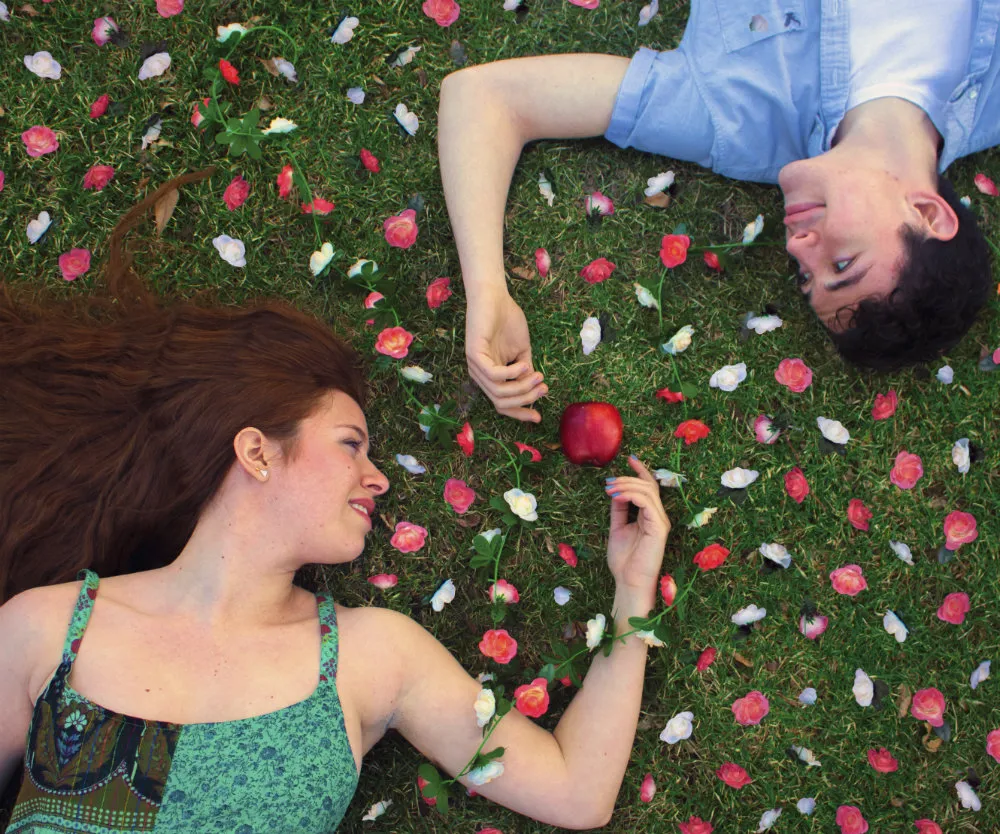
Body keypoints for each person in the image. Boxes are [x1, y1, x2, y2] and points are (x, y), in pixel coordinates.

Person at [0, 169, 671, 833]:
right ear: (257, 452)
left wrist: (632, 590)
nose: (379, 479)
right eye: (351, 444)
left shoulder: (370, 657)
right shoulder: (48, 631)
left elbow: (576, 792)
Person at [438, 0, 997, 424]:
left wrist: (488, 291)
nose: (796, 246)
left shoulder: (734, 121)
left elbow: (486, 98)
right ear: (928, 215)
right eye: (844, 263)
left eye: (806, 276)